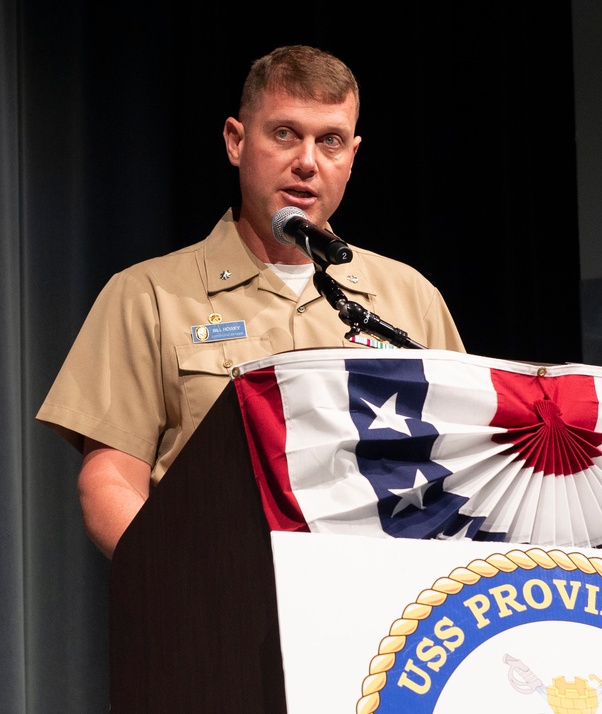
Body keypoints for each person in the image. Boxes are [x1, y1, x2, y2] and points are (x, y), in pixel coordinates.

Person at [37, 45, 465, 558]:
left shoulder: (410, 297)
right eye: (285, 134)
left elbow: (462, 464)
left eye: (329, 141)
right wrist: (186, 587)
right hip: (223, 606)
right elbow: (109, 481)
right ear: (236, 141)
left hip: (385, 616)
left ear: (352, 156)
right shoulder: (147, 295)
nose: (306, 162)